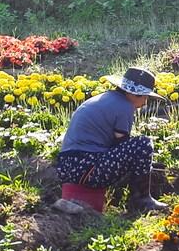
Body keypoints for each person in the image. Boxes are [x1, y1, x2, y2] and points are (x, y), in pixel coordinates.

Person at [55, 67, 168, 213]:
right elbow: (121, 144)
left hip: (70, 167)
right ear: (133, 94)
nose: (145, 103)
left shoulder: (106, 99)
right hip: (86, 168)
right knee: (143, 144)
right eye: (144, 97)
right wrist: (142, 165)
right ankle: (141, 200)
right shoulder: (124, 106)